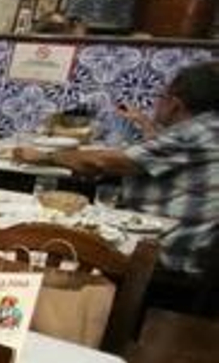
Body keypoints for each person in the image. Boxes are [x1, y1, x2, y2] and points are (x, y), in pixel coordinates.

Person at [14, 61, 219, 275]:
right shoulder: (207, 128)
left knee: (51, 237)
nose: (156, 103)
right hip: (186, 243)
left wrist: (47, 156)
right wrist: (144, 123)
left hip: (167, 252)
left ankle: (50, 292)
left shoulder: (193, 134)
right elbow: (163, 151)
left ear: (175, 104)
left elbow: (102, 162)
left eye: (160, 97)